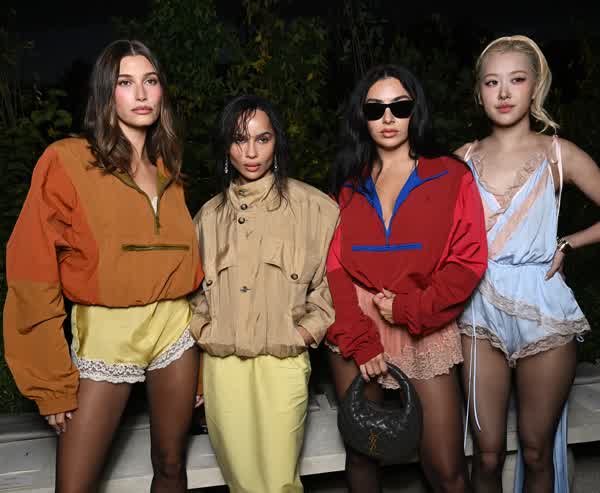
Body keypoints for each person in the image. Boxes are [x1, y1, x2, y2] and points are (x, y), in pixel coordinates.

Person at [3, 39, 203, 493]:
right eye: (125, 83)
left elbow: (189, 270)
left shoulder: (169, 168)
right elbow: (32, 268)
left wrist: (205, 364)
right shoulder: (68, 160)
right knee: (75, 485)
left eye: (150, 81)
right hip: (107, 331)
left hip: (174, 328)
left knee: (172, 465)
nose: (141, 94)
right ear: (105, 93)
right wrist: (50, 380)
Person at [326, 64, 487, 493]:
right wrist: (358, 336)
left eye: (399, 106)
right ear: (362, 117)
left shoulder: (451, 175)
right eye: (375, 109)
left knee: (447, 468)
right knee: (363, 454)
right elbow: (333, 265)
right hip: (357, 320)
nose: (388, 118)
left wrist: (409, 308)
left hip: (422, 319)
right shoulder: (347, 183)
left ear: (415, 110)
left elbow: (468, 261)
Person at [456, 35, 599, 492]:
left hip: (543, 308)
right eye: (491, 82)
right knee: (487, 455)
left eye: (516, 80)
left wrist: (570, 243)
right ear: (479, 92)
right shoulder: (462, 159)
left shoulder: (558, 153)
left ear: (535, 87)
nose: (503, 92)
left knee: (537, 451)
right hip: (478, 311)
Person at [188, 94, 339, 493]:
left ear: (277, 142)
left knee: (279, 481)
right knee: (241, 482)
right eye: (239, 140)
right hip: (223, 365)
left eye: (262, 139)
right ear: (226, 146)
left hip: (282, 361)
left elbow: (332, 286)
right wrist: (204, 329)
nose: (251, 153)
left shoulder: (316, 208)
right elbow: (192, 293)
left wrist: (303, 332)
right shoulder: (207, 217)